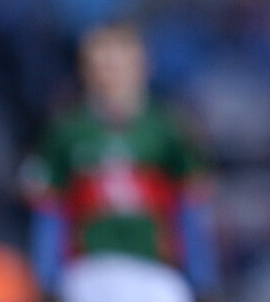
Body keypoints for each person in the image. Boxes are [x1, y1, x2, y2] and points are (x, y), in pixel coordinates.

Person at [22, 21, 221, 302]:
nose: (109, 75)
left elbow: (190, 208)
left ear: (141, 67)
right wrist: (45, 280)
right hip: (89, 272)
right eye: (100, 65)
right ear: (85, 70)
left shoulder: (168, 131)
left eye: (118, 64)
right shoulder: (66, 133)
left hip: (157, 272)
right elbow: (49, 211)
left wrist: (204, 280)